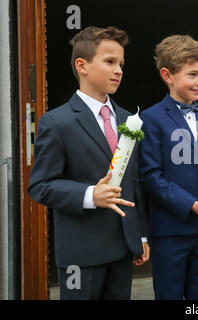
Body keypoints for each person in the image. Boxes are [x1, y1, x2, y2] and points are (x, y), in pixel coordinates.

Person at [28, 26, 149, 300]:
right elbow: (41, 186)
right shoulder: (57, 122)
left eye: (121, 63)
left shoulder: (128, 120)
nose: (119, 70)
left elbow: (134, 183)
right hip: (81, 253)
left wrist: (140, 236)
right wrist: (90, 195)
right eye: (109, 62)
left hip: (123, 247)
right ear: (82, 65)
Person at [139, 35, 198, 300]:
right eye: (192, 74)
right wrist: (190, 204)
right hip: (171, 230)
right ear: (168, 75)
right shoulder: (151, 118)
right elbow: (150, 176)